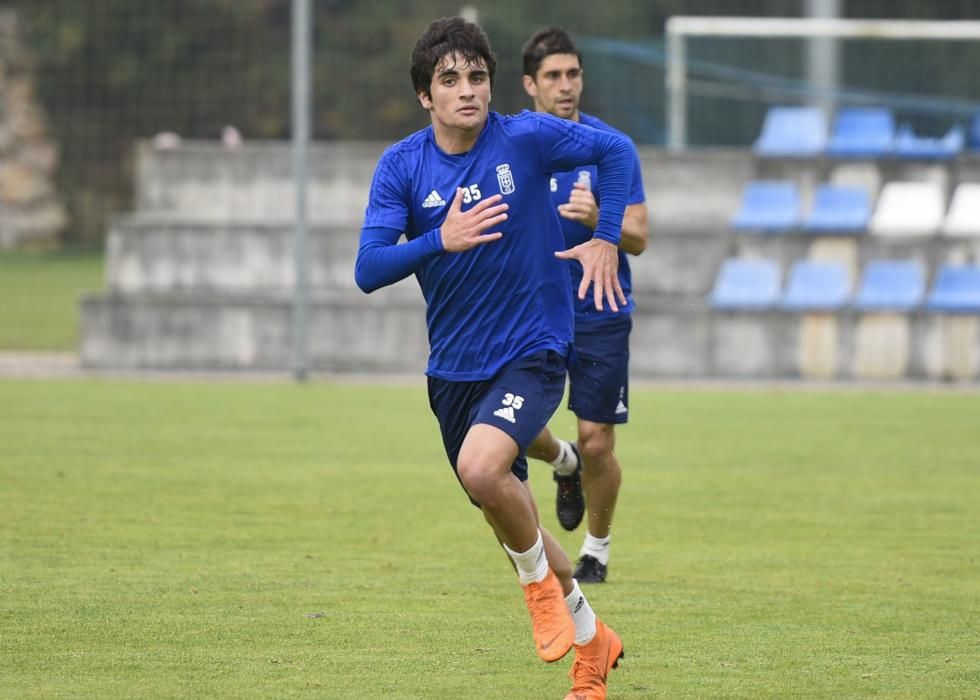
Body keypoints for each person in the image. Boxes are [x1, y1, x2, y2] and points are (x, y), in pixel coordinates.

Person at [354, 16, 630, 699]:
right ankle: (594, 643)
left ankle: (538, 590)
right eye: (450, 81)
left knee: (486, 473)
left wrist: (606, 236)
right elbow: (367, 268)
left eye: (477, 77)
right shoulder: (402, 166)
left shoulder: (527, 138)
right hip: (453, 372)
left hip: (533, 349)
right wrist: (438, 240)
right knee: (513, 515)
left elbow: (618, 153)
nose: (467, 91)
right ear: (426, 95)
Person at [521, 27, 649, 586]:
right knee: (513, 426)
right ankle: (561, 462)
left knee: (599, 439)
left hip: (599, 308)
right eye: (553, 76)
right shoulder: (515, 148)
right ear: (530, 84)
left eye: (573, 74)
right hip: (531, 311)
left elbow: (640, 237)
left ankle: (596, 548)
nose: (566, 85)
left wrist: (601, 220)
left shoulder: (610, 149)